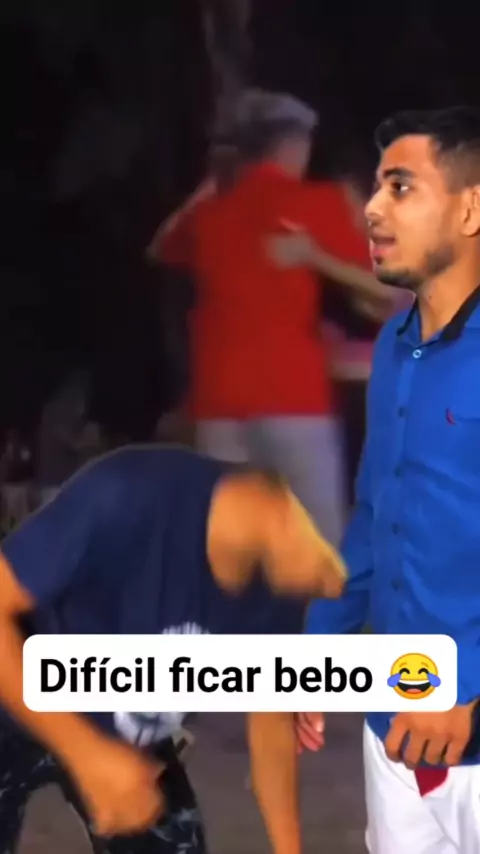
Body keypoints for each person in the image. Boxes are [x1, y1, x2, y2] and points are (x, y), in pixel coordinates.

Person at [249, 105, 480, 854]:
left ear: (470, 209)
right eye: (378, 186)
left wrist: (470, 695)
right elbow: (377, 515)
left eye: (401, 188)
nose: (374, 209)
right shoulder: (394, 346)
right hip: (394, 732)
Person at [0, 442, 346, 853]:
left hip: (127, 730)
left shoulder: (280, 575)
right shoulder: (124, 495)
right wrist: (86, 754)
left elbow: (271, 726)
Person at [149, 88, 392, 548]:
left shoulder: (209, 215)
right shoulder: (317, 202)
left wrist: (210, 184)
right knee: (319, 549)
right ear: (294, 145)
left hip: (219, 407)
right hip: (292, 401)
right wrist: (315, 255)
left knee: (234, 557)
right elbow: (384, 293)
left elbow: (162, 248)